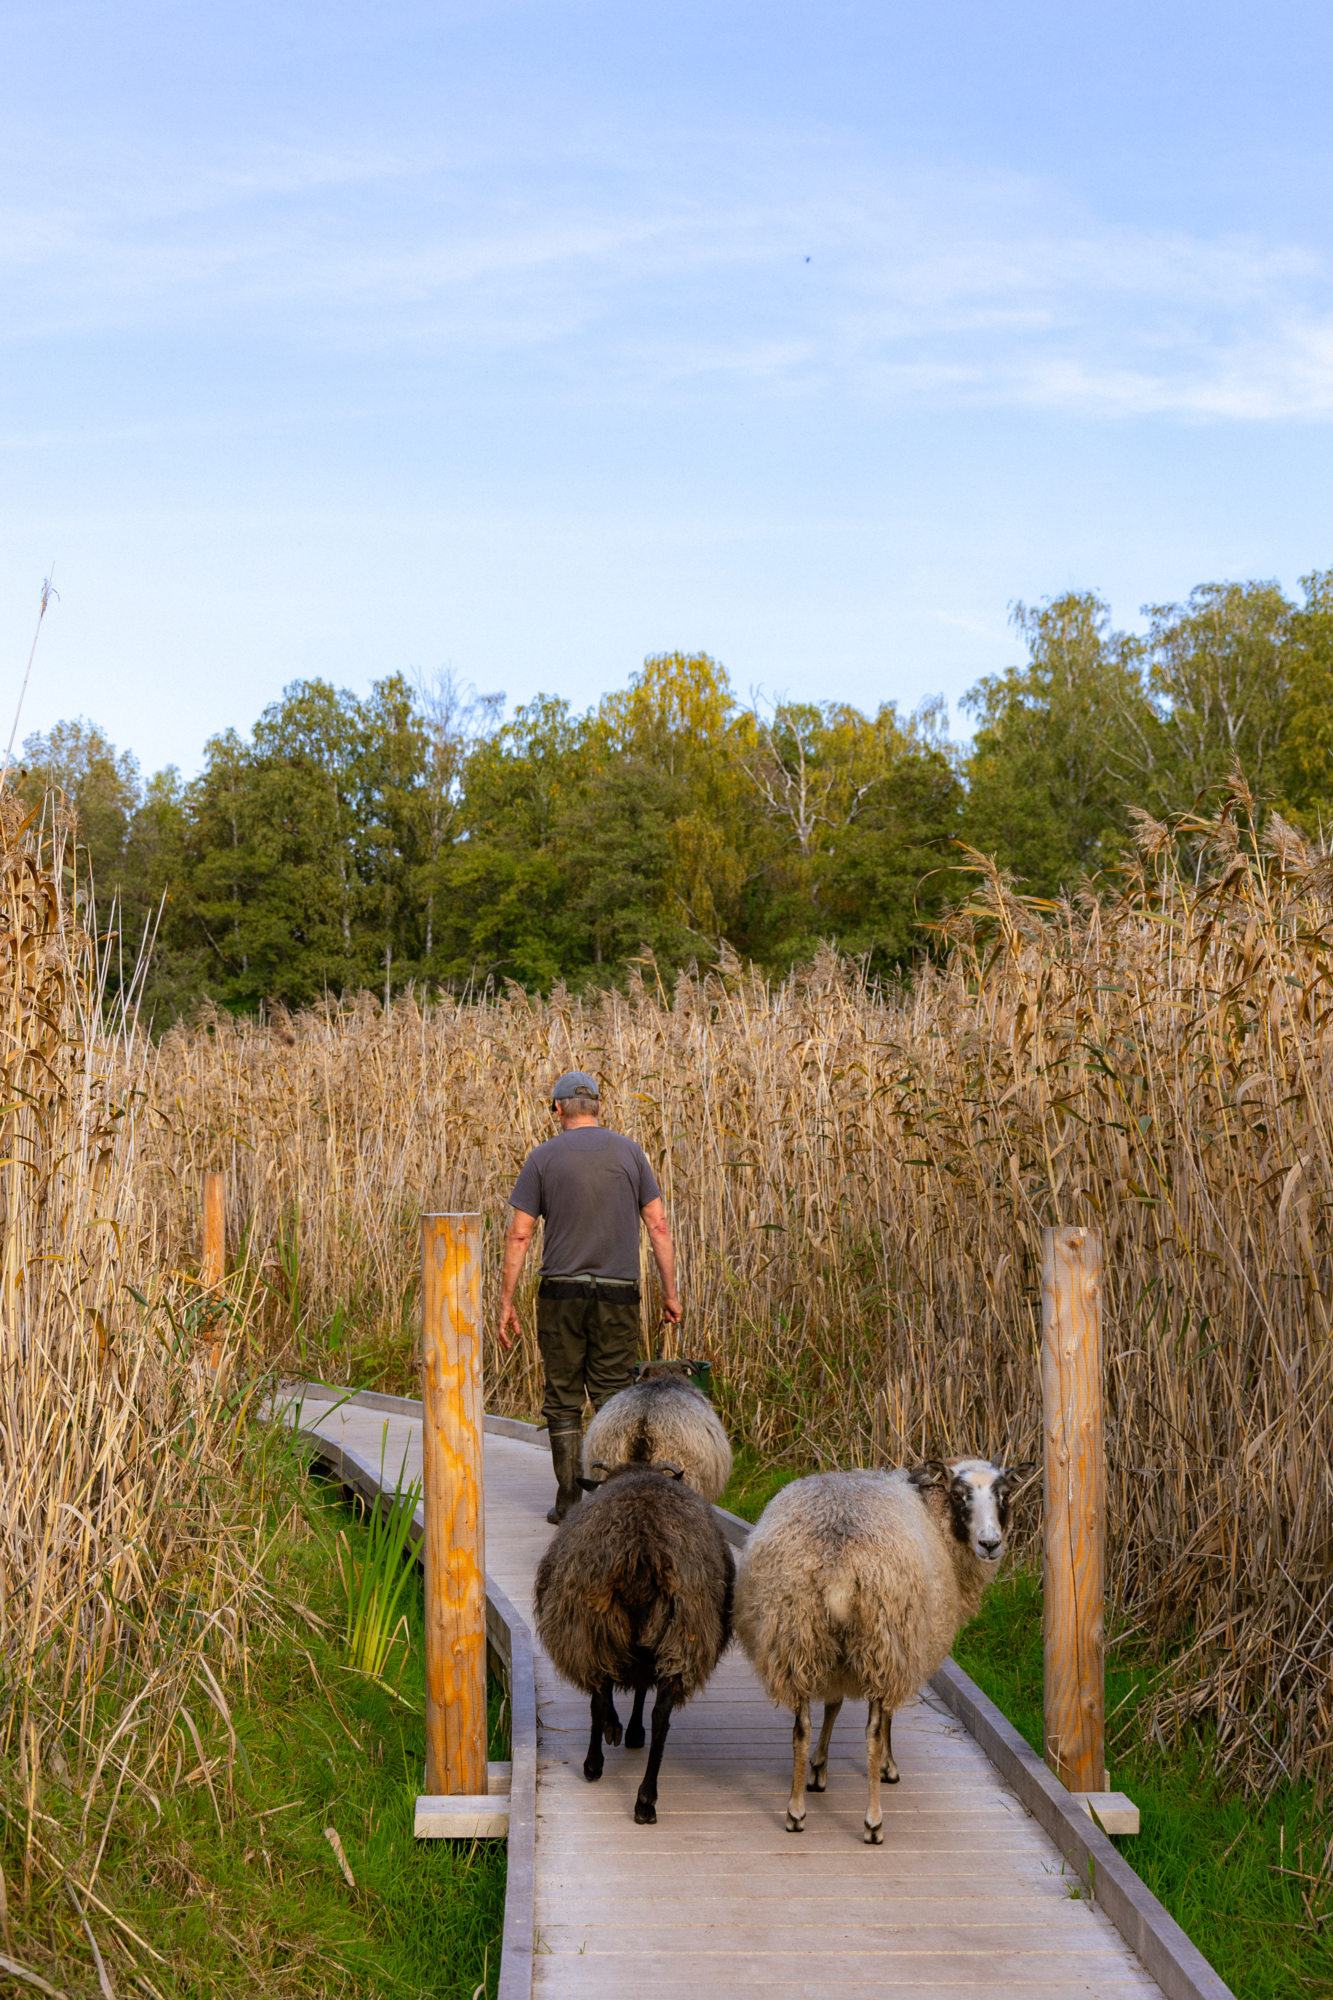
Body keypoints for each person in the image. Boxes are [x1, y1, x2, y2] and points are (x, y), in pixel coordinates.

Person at [497, 1070, 682, 1522]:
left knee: (562, 1399)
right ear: (599, 1107)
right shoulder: (631, 1153)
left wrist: (505, 1301)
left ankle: (567, 1504)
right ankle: (613, 1504)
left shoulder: (541, 1157)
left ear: (557, 1109)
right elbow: (658, 1226)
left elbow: (519, 1236)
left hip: (560, 1293)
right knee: (613, 1396)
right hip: (618, 1295)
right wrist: (670, 1293)